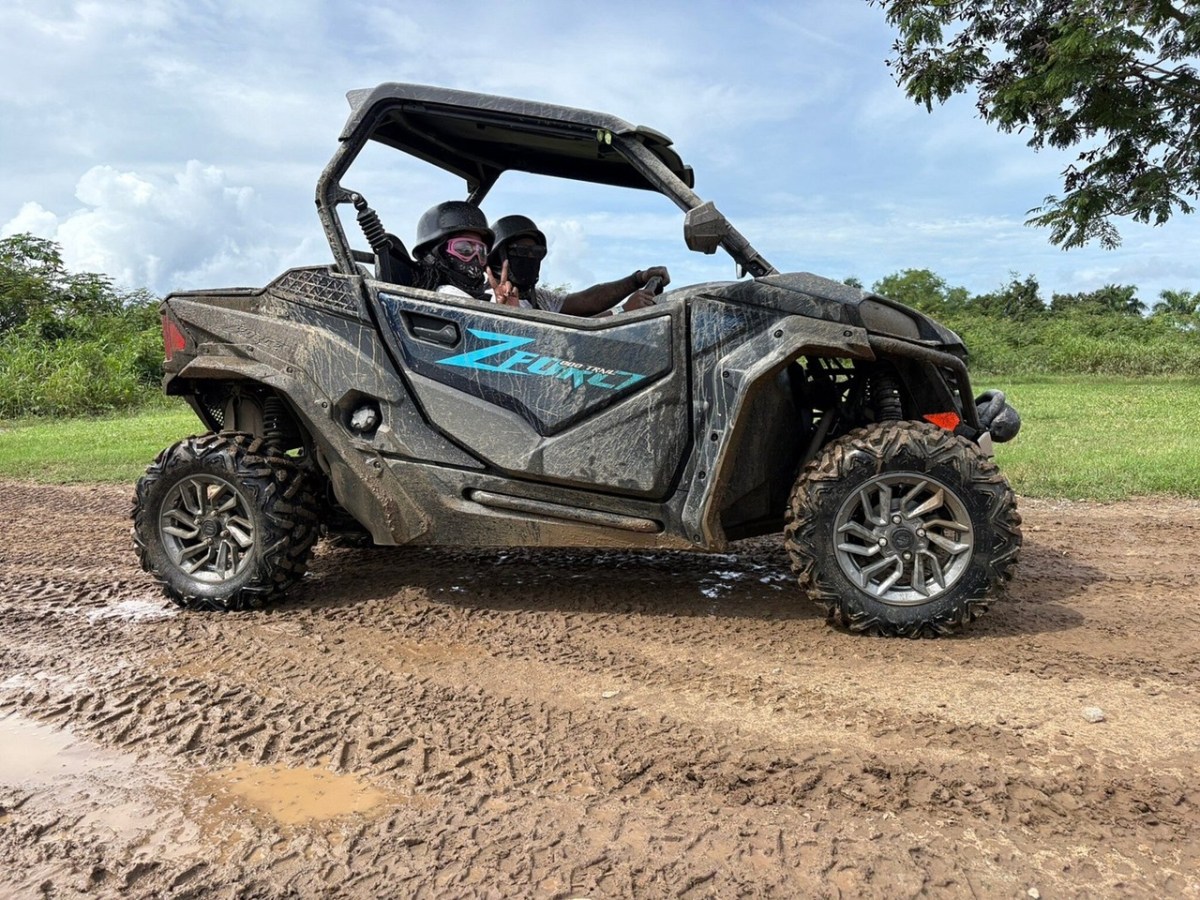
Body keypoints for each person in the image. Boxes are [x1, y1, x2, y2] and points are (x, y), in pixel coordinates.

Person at [487, 215, 670, 316]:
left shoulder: (537, 298)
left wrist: (637, 279)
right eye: (521, 252)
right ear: (498, 257)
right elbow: (559, 341)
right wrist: (623, 311)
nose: (530, 258)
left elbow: (588, 300)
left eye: (536, 253)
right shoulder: (491, 300)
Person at [410, 201, 496, 301]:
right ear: (432, 255)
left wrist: (507, 310)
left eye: (481, 251)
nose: (475, 257)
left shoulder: (488, 301)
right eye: (464, 248)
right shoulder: (438, 299)